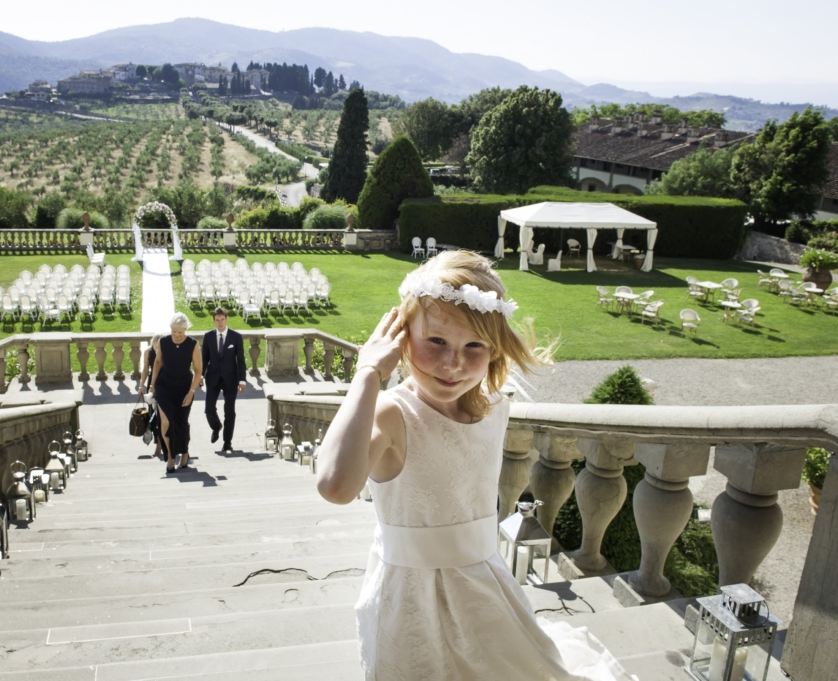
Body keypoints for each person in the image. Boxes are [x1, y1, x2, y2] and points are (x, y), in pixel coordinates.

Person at [316, 251, 635, 680]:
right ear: (400, 336)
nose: (453, 364)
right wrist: (368, 373)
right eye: (436, 342)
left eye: (474, 346)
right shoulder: (393, 413)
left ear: (494, 348)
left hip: (487, 587)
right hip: (414, 599)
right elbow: (335, 485)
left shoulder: (494, 409)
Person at [147, 313, 202, 474]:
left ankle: (184, 452)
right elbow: (157, 362)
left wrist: (191, 391)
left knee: (181, 423)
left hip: (184, 388)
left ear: (185, 331)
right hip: (164, 386)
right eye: (174, 332)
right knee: (165, 422)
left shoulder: (192, 344)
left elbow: (198, 370)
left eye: (180, 333)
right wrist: (152, 385)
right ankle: (170, 456)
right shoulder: (163, 342)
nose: (177, 336)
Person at [201, 306, 247, 452]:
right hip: (213, 377)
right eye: (217, 320)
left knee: (229, 411)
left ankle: (227, 442)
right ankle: (216, 427)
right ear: (213, 321)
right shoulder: (208, 337)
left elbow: (240, 360)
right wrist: (200, 376)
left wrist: (242, 380)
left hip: (231, 379)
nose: (220, 323)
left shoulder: (236, 337)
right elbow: (204, 358)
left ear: (226, 319)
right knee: (209, 409)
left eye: (222, 319)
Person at [139, 333, 168, 462]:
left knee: (163, 416)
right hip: (152, 384)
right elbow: (145, 369)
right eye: (156, 347)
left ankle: (164, 444)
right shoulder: (148, 353)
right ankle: (158, 444)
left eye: (160, 347)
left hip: (165, 383)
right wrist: (141, 386)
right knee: (153, 416)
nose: (158, 350)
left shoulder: (168, 352)